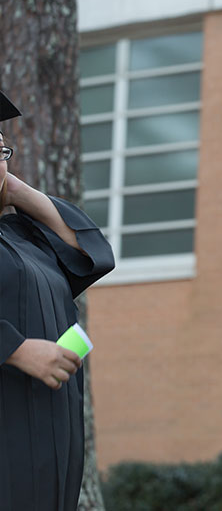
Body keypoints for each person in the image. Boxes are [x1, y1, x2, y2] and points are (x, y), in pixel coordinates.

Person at [0, 90, 115, 511]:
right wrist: (15, 349)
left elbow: (90, 253)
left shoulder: (18, 235)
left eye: (0, 151)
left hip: (48, 443)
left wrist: (15, 190)